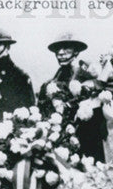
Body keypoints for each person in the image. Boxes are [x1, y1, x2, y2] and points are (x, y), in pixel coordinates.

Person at [38, 33, 106, 162]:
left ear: (76, 51)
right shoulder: (51, 82)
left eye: (66, 48)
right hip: (62, 137)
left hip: (87, 137)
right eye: (57, 50)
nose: (60, 53)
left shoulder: (88, 76)